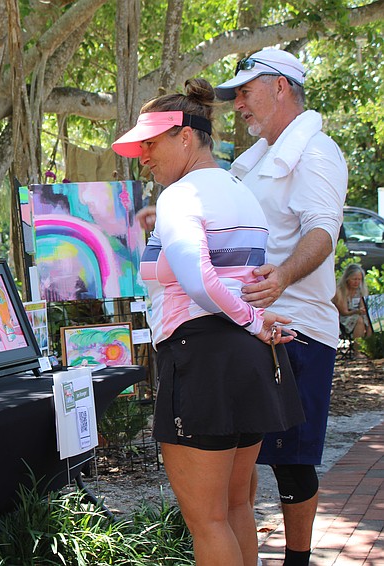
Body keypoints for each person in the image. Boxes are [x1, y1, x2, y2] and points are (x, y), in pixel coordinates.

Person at [113, 78, 305, 566]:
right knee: (236, 505)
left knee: (207, 520)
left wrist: (252, 320)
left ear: (184, 136)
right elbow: (239, 277)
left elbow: (200, 282)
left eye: (151, 143)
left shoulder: (181, 197)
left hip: (204, 359)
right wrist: (254, 323)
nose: (144, 156)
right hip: (247, 360)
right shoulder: (242, 194)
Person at [214, 49, 348, 566]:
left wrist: (284, 276)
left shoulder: (315, 153)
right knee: (241, 455)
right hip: (251, 326)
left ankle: (297, 560)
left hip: (297, 329)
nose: (239, 105)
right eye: (235, 96)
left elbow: (322, 231)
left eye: (245, 92)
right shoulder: (255, 161)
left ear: (281, 88)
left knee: (290, 462)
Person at [333, 263, 372, 350]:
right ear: (347, 278)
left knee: (370, 320)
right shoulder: (340, 291)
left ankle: (370, 347)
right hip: (342, 318)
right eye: (354, 279)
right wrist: (357, 312)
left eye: (359, 279)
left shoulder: (360, 290)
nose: (356, 282)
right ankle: (357, 350)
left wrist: (362, 311)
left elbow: (363, 307)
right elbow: (344, 312)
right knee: (359, 320)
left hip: (356, 314)